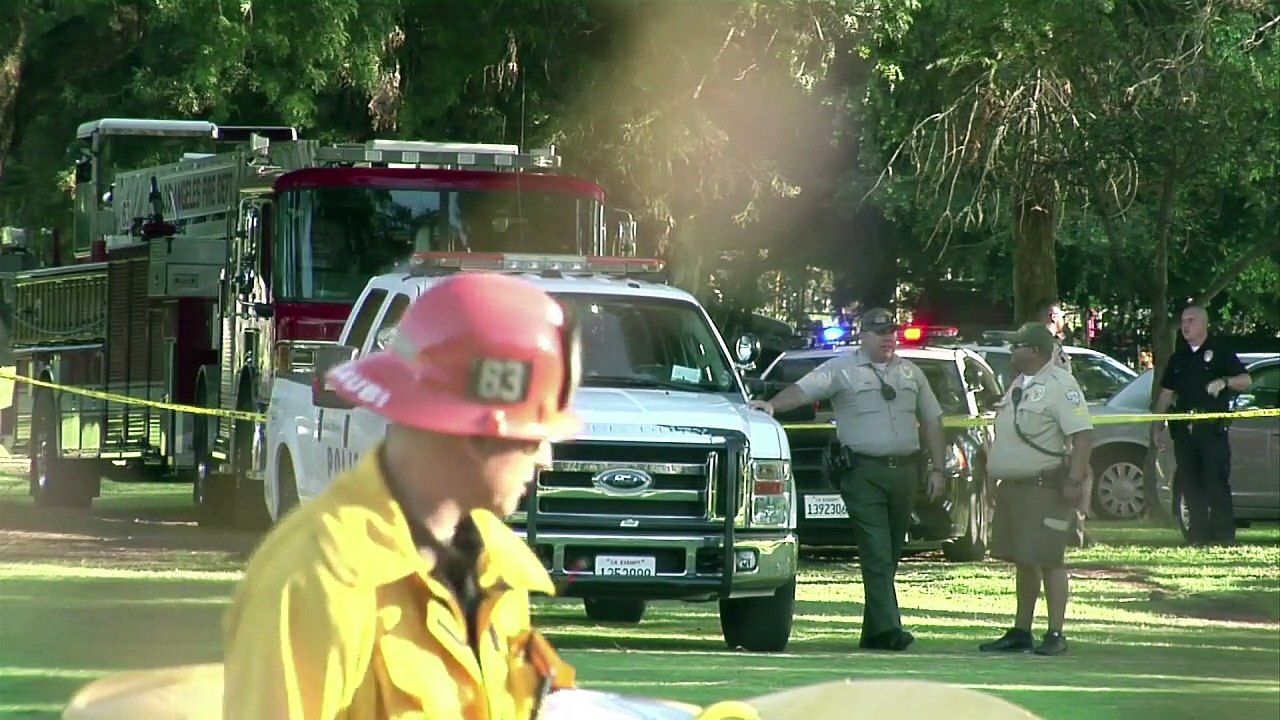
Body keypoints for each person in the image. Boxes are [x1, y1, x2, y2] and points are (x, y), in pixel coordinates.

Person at [221, 272, 583, 719]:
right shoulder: (316, 578)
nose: (545, 457)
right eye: (532, 438)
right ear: (474, 433)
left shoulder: (500, 569)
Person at [749, 307, 947, 651]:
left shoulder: (911, 373)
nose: (889, 338)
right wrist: (772, 406)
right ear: (864, 336)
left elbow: (932, 420)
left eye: (892, 332)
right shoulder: (842, 369)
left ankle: (873, 631)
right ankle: (889, 630)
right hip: (862, 473)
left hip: (904, 472)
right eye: (881, 332)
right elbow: (804, 390)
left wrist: (938, 468)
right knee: (876, 551)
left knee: (891, 553)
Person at [980, 323, 1093, 657]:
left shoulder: (1060, 385)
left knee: (1049, 560)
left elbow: (1083, 434)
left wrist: (1074, 480)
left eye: (1017, 346)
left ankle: (1055, 632)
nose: (1011, 351)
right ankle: (1021, 630)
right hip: (1014, 489)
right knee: (1023, 560)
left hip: (1044, 488)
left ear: (1035, 351)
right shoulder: (1018, 384)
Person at [1152, 304, 1251, 546]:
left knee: (1215, 480)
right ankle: (1197, 534)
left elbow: (1245, 380)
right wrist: (1157, 424)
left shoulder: (1220, 353)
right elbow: (1166, 394)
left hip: (1211, 428)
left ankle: (1223, 535)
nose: (1186, 326)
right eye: (1184, 321)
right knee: (1189, 480)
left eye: (1191, 320)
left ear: (1204, 324)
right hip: (1185, 429)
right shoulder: (1179, 358)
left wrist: (1224, 382)